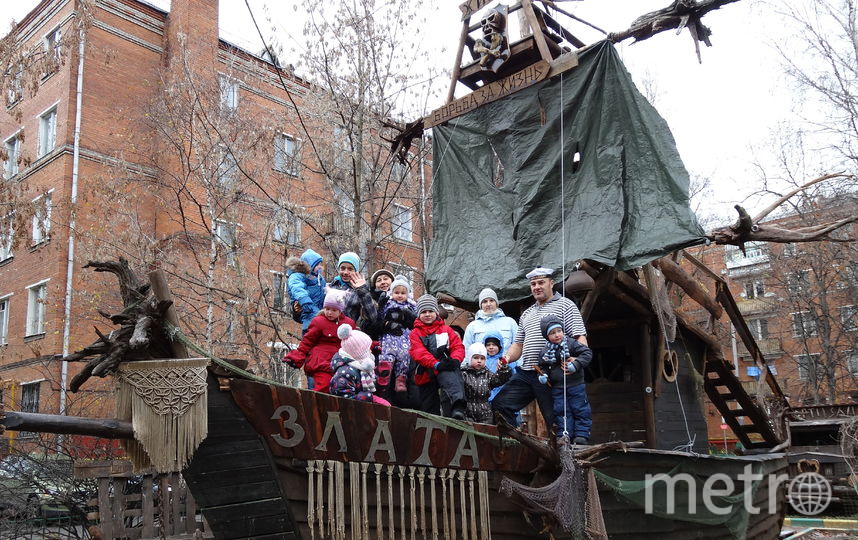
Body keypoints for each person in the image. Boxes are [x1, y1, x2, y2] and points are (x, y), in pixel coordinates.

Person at [492, 267, 587, 429]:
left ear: (551, 283)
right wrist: (507, 358)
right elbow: (518, 345)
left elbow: (579, 337)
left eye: (541, 282)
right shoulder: (527, 313)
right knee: (500, 405)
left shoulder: (566, 305)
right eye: (533, 284)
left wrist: (577, 361)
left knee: (557, 423)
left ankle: (565, 452)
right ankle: (514, 446)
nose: (536, 287)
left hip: (551, 373)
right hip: (526, 373)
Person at [283, 288, 355, 394]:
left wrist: (372, 346)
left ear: (340, 311)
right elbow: (307, 341)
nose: (329, 313)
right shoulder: (319, 321)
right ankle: (314, 406)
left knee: (340, 388)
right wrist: (297, 357)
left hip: (340, 362)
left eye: (334, 310)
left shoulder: (348, 323)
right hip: (321, 361)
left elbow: (356, 341)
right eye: (327, 309)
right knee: (324, 386)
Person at [409, 294, 467, 419]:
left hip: (445, 366)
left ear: (436, 312)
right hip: (426, 371)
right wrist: (436, 364)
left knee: (452, 381)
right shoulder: (415, 333)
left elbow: (457, 346)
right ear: (419, 314)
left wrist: (456, 360)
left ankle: (457, 407)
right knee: (428, 405)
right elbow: (418, 352)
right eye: (424, 312)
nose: (428, 314)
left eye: (430, 311)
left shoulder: (446, 330)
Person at [536, 314, 593, 443]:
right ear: (547, 336)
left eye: (559, 331)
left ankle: (582, 434)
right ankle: (564, 434)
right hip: (558, 387)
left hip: (576, 384)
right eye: (552, 333)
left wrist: (576, 364)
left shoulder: (571, 344)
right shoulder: (545, 351)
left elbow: (587, 353)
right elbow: (542, 366)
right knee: (561, 410)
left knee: (580, 408)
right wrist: (543, 375)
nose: (557, 335)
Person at [330, 324, 391, 406]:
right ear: (360, 353)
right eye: (368, 349)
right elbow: (343, 398)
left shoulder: (360, 366)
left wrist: (381, 375)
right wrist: (368, 397)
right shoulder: (345, 373)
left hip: (362, 405)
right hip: (350, 411)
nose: (370, 351)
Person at [378, 276, 417, 394]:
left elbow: (416, 319)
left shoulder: (411, 305)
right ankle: (384, 374)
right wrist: (387, 322)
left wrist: (409, 317)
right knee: (387, 352)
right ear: (392, 292)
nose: (399, 295)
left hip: (404, 334)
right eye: (397, 292)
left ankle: (401, 379)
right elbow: (379, 316)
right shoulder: (388, 303)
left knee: (405, 354)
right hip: (390, 334)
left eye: (403, 293)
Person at [329, 252, 379, 333]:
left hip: (345, 335)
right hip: (325, 333)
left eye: (350, 269)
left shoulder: (359, 291)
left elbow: (372, 316)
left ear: (356, 271)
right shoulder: (329, 286)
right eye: (342, 268)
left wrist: (362, 291)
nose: (345, 272)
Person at [462, 343, 511, 424]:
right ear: (469, 358)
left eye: (482, 358)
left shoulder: (488, 374)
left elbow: (499, 380)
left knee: (485, 431)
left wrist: (504, 369)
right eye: (475, 358)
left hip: (485, 410)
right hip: (467, 409)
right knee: (469, 432)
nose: (479, 361)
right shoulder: (464, 373)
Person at [462, 288, 518, 352]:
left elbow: (518, 346)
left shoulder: (510, 322)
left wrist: (518, 362)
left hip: (507, 361)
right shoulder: (472, 326)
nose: (488, 304)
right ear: (481, 305)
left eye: (491, 300)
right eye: (485, 301)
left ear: (496, 303)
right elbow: (466, 350)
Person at [285, 249, 326, 335]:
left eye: (320, 264)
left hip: (319, 310)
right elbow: (297, 287)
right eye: (317, 264)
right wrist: (304, 300)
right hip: (307, 308)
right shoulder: (298, 275)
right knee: (310, 331)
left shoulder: (319, 278)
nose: (319, 266)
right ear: (309, 265)